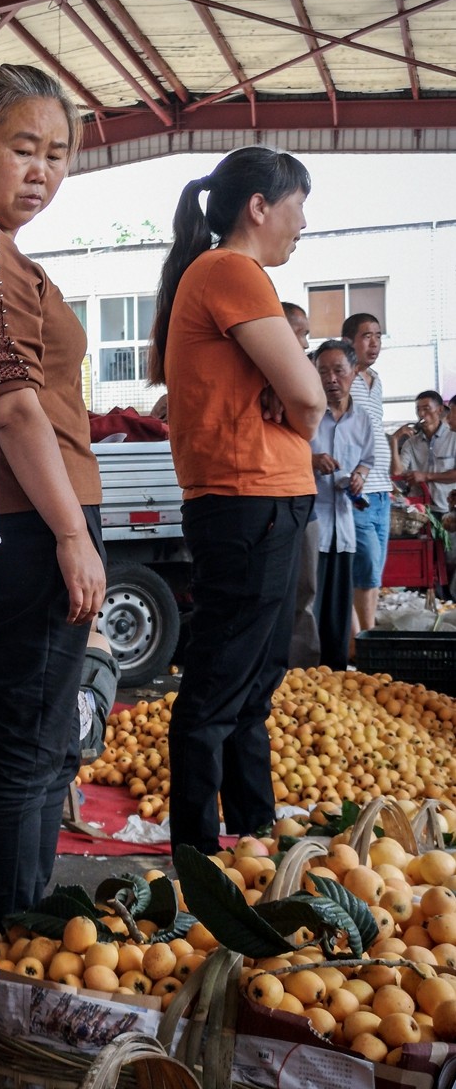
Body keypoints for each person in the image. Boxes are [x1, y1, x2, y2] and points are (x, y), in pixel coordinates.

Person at [0, 65, 107, 929]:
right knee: (26, 746)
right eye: (21, 148)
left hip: (30, 517)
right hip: (35, 520)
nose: (40, 171)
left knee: (29, 743)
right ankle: (16, 951)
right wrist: (73, 534)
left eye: (57, 154)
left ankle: (27, 938)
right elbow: (12, 404)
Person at [149, 149, 323, 852]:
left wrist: (289, 404)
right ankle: (195, 853)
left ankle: (253, 834)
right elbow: (308, 395)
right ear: (258, 206)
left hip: (262, 501)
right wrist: (295, 409)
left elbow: (296, 392)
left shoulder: (221, 273)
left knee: (250, 683)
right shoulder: (230, 270)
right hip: (248, 501)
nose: (301, 224)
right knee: (221, 685)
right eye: (296, 207)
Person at [310, 340, 374, 670]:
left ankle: (334, 673)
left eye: (338, 371)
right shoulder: (306, 415)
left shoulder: (362, 420)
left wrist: (360, 476)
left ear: (353, 373)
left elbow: (367, 459)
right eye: (323, 371)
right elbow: (287, 457)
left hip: (344, 526)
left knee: (338, 604)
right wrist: (312, 460)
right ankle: (305, 671)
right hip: (312, 525)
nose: (331, 378)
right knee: (310, 605)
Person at [342, 312, 390, 638]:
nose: (373, 342)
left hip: (383, 489)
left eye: (377, 335)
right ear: (349, 341)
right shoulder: (343, 379)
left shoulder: (376, 380)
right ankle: (366, 643)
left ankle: (358, 643)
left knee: (373, 573)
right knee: (367, 569)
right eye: (366, 336)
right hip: (357, 491)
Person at [282, 301, 321, 668]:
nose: (307, 343)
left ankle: (304, 671)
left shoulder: (302, 371)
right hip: (275, 498)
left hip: (303, 498)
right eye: (302, 333)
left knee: (304, 590)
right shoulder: (272, 370)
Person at [391, 391, 456, 495]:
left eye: (426, 408)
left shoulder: (453, 437)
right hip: (419, 508)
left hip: (448, 506)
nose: (421, 414)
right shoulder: (411, 442)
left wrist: (425, 476)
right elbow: (397, 472)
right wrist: (394, 439)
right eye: (418, 410)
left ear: (440, 410)